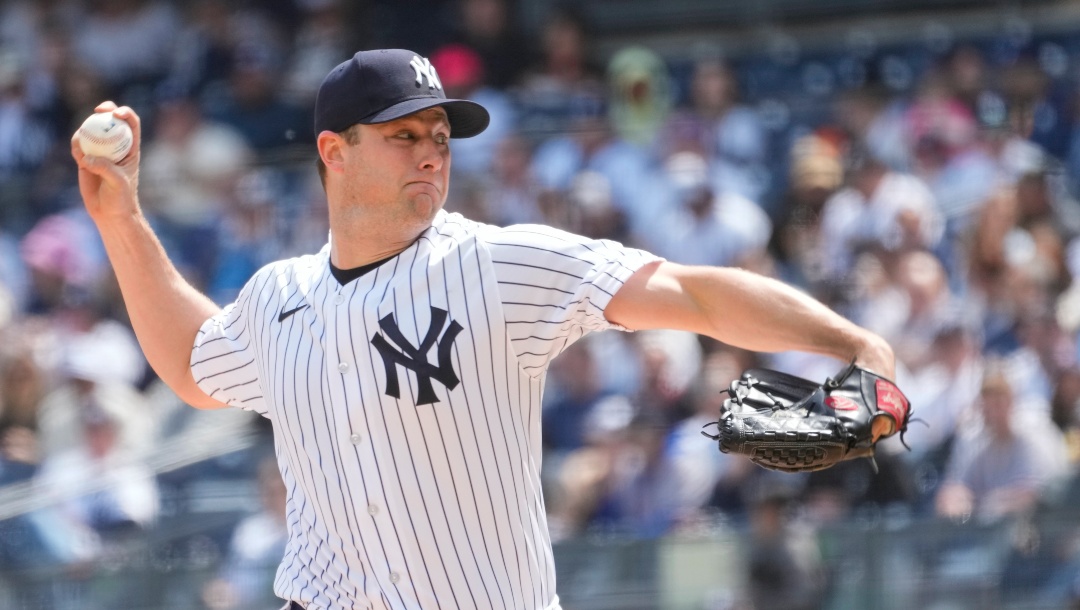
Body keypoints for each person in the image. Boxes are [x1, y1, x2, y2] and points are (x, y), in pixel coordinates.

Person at [72, 48, 898, 610]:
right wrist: (120, 218)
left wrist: (855, 346)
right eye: (404, 137)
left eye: (440, 137)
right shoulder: (279, 296)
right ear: (334, 150)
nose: (432, 153)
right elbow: (188, 362)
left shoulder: (499, 266)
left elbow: (694, 294)